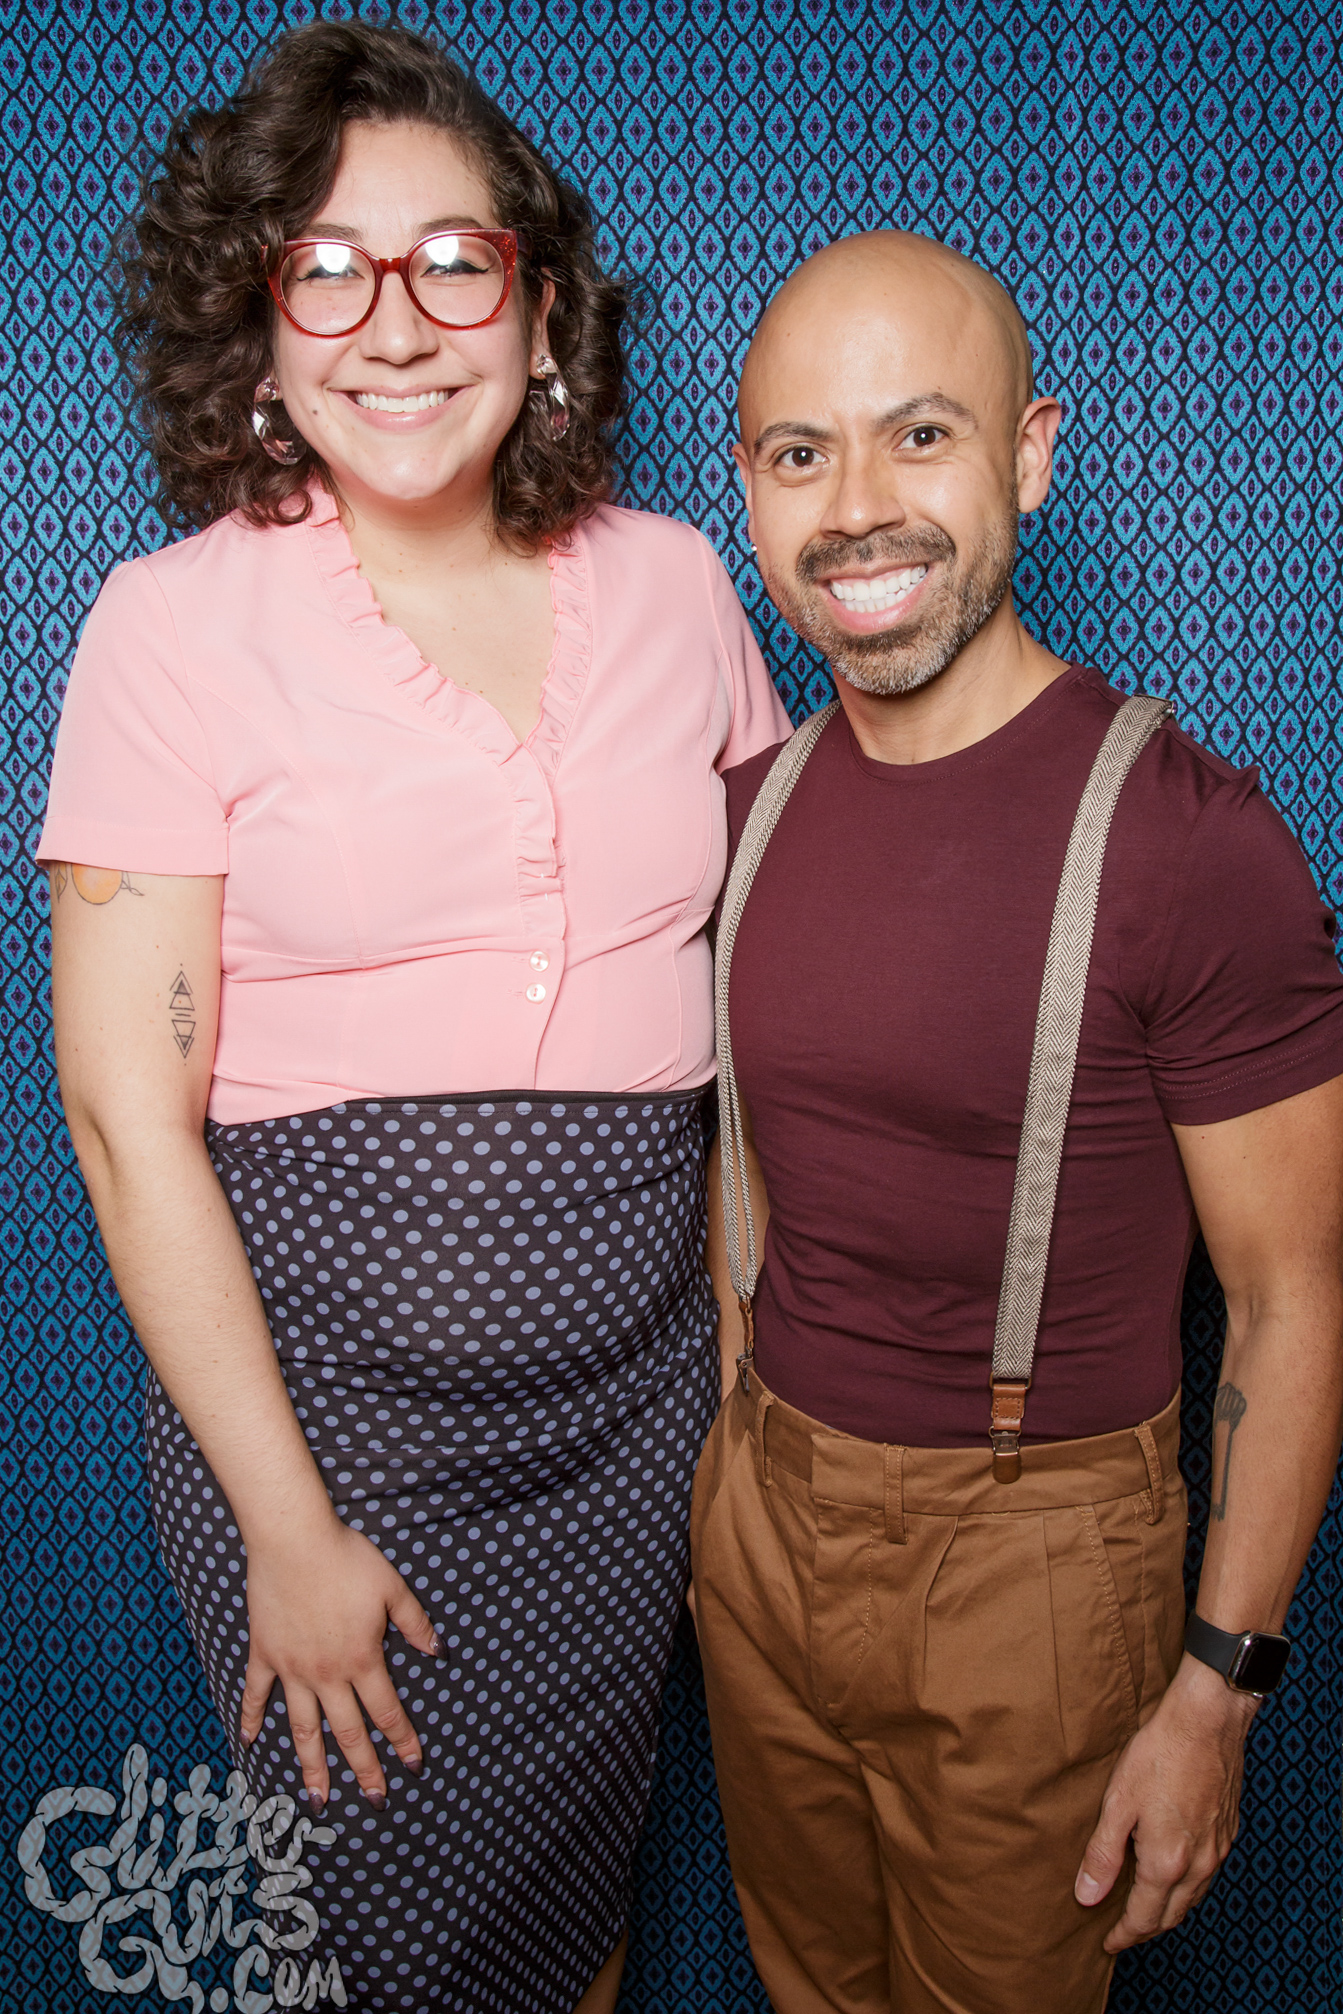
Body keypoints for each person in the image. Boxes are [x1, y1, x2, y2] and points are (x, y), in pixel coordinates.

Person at [39, 22, 788, 2014]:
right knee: (375, 1952)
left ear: (539, 314)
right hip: (328, 1447)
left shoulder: (682, 589)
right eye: (328, 269)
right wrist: (288, 1530)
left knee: (578, 1916)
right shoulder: (168, 629)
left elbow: (767, 1009)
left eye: (455, 261)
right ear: (259, 325)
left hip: (639, 1435)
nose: (396, 322)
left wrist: (743, 1376)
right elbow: (124, 1117)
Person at [691, 230, 1343, 2014]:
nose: (857, 509)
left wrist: (1215, 1690)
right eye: (803, 452)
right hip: (759, 1528)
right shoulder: (745, 809)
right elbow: (746, 1175)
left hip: (1033, 1567)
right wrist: (735, 1477)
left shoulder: (1192, 838)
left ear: (1031, 455)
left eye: (921, 435)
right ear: (749, 486)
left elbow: (1291, 1299)